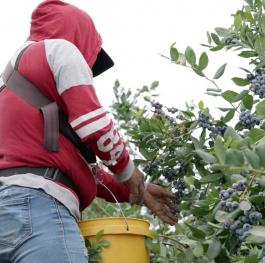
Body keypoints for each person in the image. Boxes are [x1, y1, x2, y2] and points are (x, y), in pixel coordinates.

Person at [0, 0, 179, 262]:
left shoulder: (11, 91)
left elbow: (73, 168)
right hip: (37, 208)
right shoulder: (60, 49)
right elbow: (94, 124)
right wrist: (127, 170)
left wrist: (138, 192)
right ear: (80, 36)